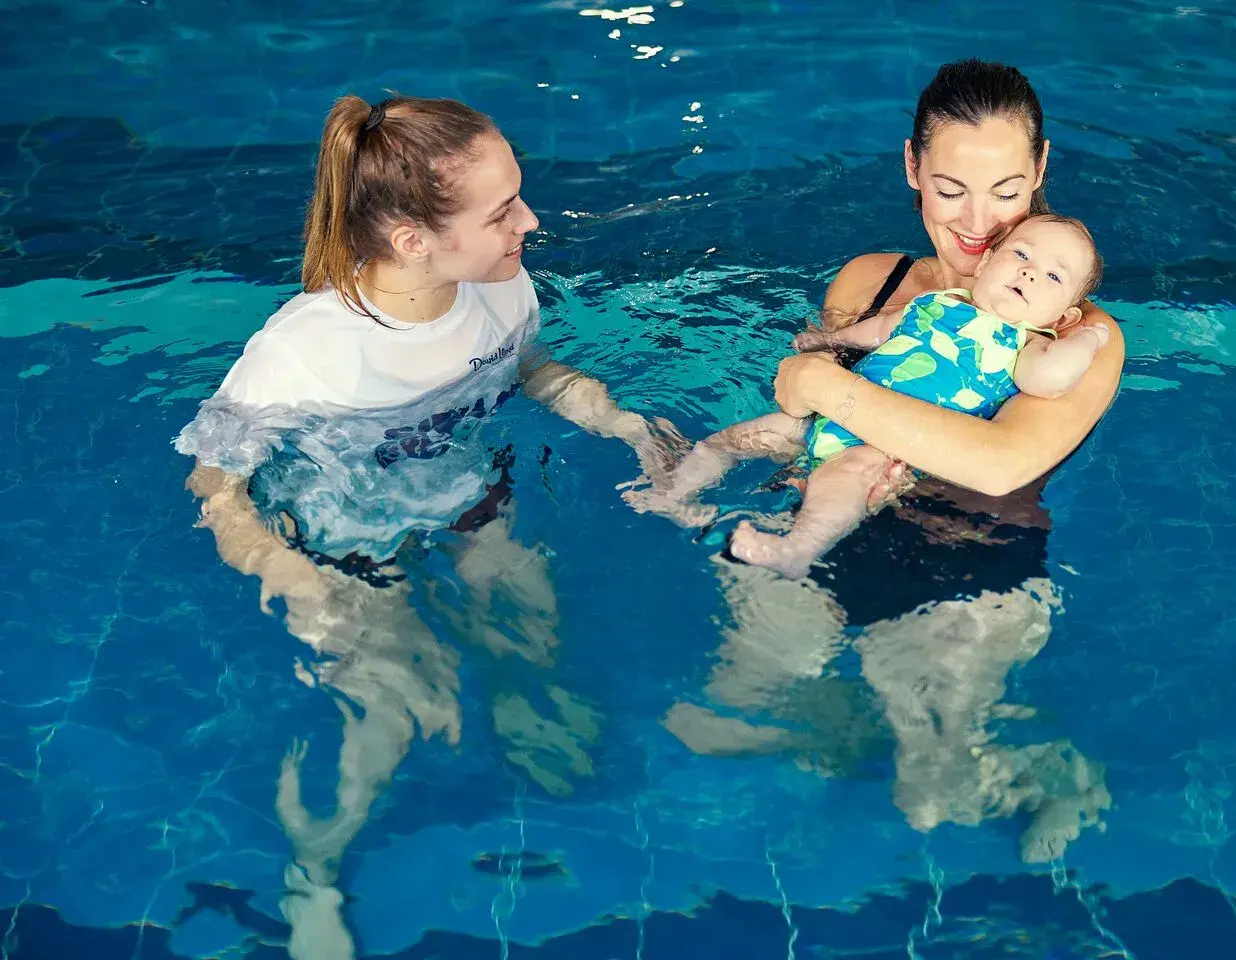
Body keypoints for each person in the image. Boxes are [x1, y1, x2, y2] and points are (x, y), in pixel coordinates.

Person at [174, 94, 675, 960]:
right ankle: (316, 872)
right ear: (414, 239)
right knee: (388, 720)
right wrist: (295, 580)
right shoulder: (304, 355)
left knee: (532, 644)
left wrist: (618, 420)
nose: (531, 219)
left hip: (475, 503)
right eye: (503, 210)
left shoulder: (498, 283)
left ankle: (526, 781)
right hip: (347, 549)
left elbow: (532, 370)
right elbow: (214, 490)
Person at [656, 59, 1125, 864]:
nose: (978, 222)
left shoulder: (1078, 335)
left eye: (1007, 190)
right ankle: (851, 724)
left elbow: (998, 462)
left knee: (929, 798)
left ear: (1042, 169)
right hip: (825, 525)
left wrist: (814, 384)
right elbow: (809, 419)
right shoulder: (871, 282)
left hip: (964, 557)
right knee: (710, 726)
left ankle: (1054, 772)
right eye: (949, 189)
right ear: (911, 167)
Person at [626, 214, 1108, 580]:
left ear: (1063, 316)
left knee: (842, 481)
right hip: (826, 418)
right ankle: (674, 493)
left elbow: (1051, 379)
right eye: (1021, 256)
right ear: (986, 261)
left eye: (1052, 277)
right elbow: (881, 331)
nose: (1029, 274)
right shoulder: (936, 304)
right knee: (731, 440)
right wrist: (826, 341)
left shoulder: (1029, 344)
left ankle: (797, 549)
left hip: (880, 447)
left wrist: (1088, 339)